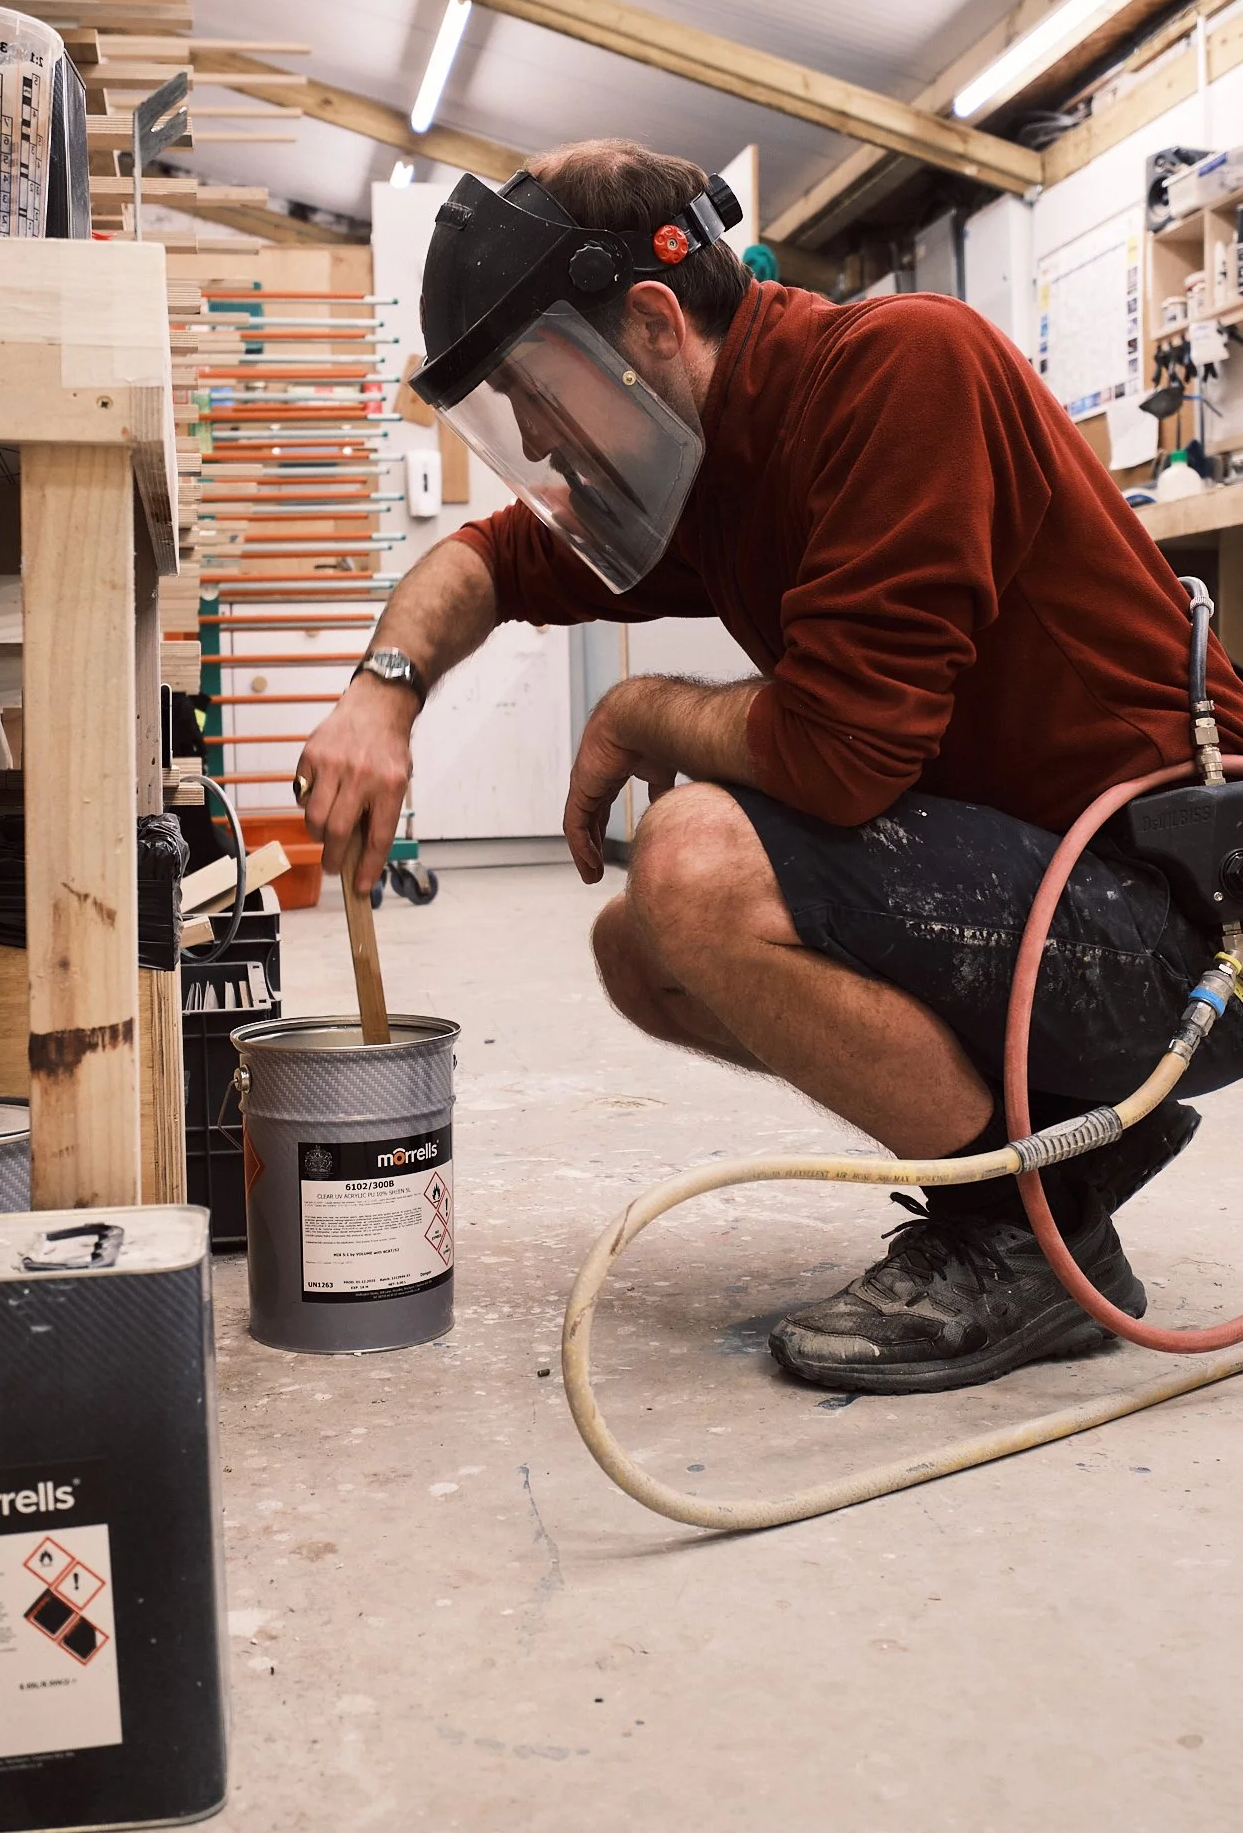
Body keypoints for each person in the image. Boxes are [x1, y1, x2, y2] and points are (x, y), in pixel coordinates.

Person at [296, 137, 1243, 1395]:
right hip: (1059, 907)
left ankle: (1024, 1235)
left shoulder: (906, 369)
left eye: (537, 391)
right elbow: (486, 561)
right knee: (643, 949)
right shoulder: (711, 466)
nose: (532, 436)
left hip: (1184, 920)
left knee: (693, 865)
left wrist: (637, 709)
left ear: (649, 321)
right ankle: (1057, 1169)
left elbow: (844, 756)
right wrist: (383, 692)